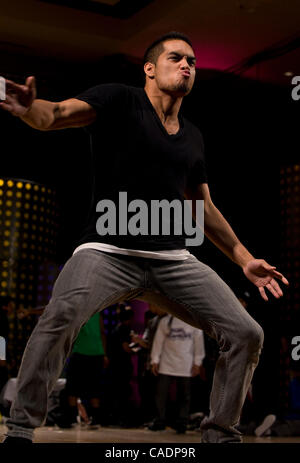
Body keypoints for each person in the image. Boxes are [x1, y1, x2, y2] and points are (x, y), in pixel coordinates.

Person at [0, 31, 289, 444]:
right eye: (176, 58)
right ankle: (22, 429)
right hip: (107, 250)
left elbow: (203, 208)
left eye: (191, 60)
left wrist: (244, 259)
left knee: (247, 333)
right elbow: (57, 113)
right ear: (150, 69)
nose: (187, 64)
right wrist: (29, 110)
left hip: (173, 258)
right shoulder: (120, 99)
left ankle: (220, 434)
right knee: (59, 317)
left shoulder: (193, 136)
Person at [149, 314, 205, 434]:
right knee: (161, 394)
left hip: (186, 363)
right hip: (166, 361)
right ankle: (160, 421)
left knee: (185, 395)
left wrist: (197, 362)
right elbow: (158, 341)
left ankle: (182, 423)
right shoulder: (166, 320)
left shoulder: (194, 321)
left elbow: (198, 343)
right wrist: (155, 360)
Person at [57, 312, 109, 429]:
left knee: (72, 388)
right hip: (97, 354)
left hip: (80, 353)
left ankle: (72, 418)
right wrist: (104, 354)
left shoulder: (78, 312)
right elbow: (102, 333)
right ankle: (95, 419)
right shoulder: (97, 314)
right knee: (94, 387)